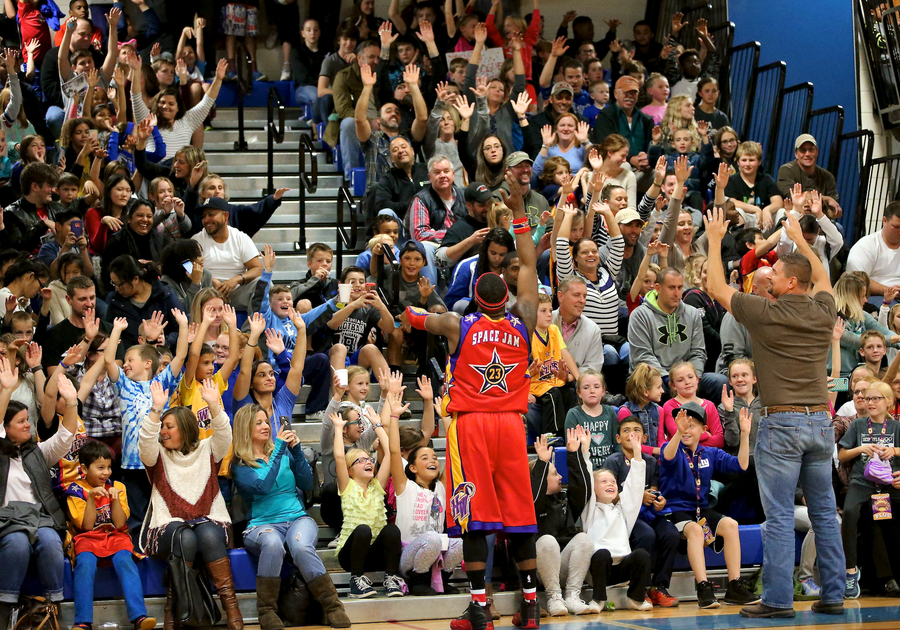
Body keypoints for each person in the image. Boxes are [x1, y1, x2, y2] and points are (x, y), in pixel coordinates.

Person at [399, 170, 540, 630]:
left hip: (473, 426)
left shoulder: (461, 325)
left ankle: (480, 608)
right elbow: (531, 271)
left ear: (476, 296)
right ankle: (531, 607)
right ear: (507, 299)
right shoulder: (524, 322)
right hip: (513, 426)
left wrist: (412, 313)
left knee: (475, 517)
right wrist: (520, 214)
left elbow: (418, 318)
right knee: (519, 515)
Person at [704, 205, 846, 617]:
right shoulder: (823, 311)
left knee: (780, 514)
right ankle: (834, 595)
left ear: (790, 282)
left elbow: (715, 285)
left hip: (781, 422)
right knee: (823, 512)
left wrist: (714, 239)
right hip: (820, 422)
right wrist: (801, 240)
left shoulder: (764, 313)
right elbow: (821, 275)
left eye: (777, 274)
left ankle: (779, 599)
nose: (771, 277)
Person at [231, 405, 351, 628]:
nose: (266, 426)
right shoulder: (239, 464)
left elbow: (306, 485)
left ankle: (333, 607)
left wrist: (295, 452)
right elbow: (263, 486)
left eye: (266, 421)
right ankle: (267, 612)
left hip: (297, 518)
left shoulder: (283, 452)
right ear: (244, 428)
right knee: (273, 543)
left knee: (302, 546)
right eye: (258, 423)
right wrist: (278, 449)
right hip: (261, 525)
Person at [140, 379, 243, 630]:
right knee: (184, 536)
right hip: (167, 528)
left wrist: (213, 404)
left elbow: (225, 434)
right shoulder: (157, 455)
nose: (163, 431)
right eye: (162, 426)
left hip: (209, 521)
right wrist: (156, 410)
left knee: (206, 533)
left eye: (169, 426)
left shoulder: (208, 450)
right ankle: (172, 610)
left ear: (185, 429)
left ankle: (232, 609)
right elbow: (145, 441)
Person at [0, 368, 78, 628]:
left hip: (40, 518)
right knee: (18, 544)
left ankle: (53, 606)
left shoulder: (37, 451)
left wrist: (71, 403)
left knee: (50, 542)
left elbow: (66, 437)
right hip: (7, 521)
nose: (28, 425)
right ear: (6, 427)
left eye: (27, 419)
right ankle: (6, 609)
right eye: (21, 421)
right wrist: (7, 390)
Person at [659, 406, 758, 608]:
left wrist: (745, 435)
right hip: (676, 511)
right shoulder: (673, 449)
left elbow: (742, 465)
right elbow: (667, 457)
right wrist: (678, 432)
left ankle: (734, 587)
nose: (686, 430)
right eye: (682, 425)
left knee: (730, 524)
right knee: (695, 530)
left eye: (691, 426)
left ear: (704, 429)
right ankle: (703, 587)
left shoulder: (710, 453)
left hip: (700, 510)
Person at [65, 441, 155, 630]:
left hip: (115, 537)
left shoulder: (118, 486)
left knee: (125, 560)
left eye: (108, 467)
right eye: (100, 468)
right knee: (85, 564)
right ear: (84, 468)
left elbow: (121, 524)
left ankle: (139, 617)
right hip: (87, 539)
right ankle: (82, 622)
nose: (106, 472)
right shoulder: (75, 491)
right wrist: (90, 498)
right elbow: (87, 526)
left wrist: (114, 500)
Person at [566, 425, 653, 612]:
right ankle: (598, 600)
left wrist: (637, 453)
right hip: (598, 568)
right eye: (604, 481)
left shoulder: (623, 510)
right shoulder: (589, 509)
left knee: (642, 555)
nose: (610, 484)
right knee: (602, 554)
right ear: (594, 489)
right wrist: (584, 450)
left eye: (613, 481)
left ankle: (635, 599)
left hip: (621, 570)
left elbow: (634, 488)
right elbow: (586, 479)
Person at [605, 415, 681, 606]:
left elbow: (654, 488)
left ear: (645, 438)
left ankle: (659, 587)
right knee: (646, 535)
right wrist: (637, 498)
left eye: (637, 430)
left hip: (649, 513)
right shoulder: (613, 462)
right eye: (626, 431)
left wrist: (658, 500)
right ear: (618, 439)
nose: (632, 434)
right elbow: (607, 496)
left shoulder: (651, 461)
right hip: (624, 517)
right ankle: (641, 588)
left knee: (671, 533)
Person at [331, 407, 405, 598]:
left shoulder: (377, 486)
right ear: (349, 470)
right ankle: (356, 580)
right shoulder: (347, 486)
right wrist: (339, 428)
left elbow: (389, 453)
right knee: (363, 529)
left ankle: (391, 578)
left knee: (391, 530)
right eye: (360, 460)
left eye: (368, 459)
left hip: (374, 553)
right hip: (350, 555)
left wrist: (377, 424)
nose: (368, 462)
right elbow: (339, 456)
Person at [836, 380, 900, 599]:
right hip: (862, 483)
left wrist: (894, 451)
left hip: (889, 484)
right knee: (851, 512)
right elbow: (843, 455)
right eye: (867, 398)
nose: (869, 402)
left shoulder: (896, 427)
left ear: (889, 402)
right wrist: (860, 448)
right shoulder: (858, 425)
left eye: (875, 398)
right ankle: (850, 571)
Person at [627, 266, 728, 404]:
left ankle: (714, 423)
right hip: (657, 377)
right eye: (671, 287)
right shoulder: (640, 315)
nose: (677, 293)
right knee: (648, 387)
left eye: (680, 288)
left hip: (686, 376)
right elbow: (642, 355)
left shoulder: (692, 313)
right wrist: (669, 379)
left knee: (719, 382)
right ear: (658, 288)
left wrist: (692, 378)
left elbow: (698, 352)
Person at [528, 434, 594, 615]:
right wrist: (541, 464)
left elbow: (584, 489)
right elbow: (535, 497)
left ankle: (572, 595)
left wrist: (574, 454)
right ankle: (554, 598)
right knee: (547, 541)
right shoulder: (530, 504)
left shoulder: (564, 499)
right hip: (541, 571)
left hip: (565, 567)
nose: (560, 477)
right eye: (555, 473)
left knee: (583, 539)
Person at [192, 198, 263, 312]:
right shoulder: (197, 240)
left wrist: (236, 280)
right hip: (207, 293)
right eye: (204, 216)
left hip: (235, 293)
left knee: (263, 283)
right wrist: (210, 280)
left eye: (211, 215)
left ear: (225, 216)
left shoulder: (240, 238)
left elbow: (258, 268)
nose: (206, 220)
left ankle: (251, 329)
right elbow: (186, 266)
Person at [775, 134, 841, 218]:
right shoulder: (786, 170)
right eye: (803, 150)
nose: (807, 154)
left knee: (838, 227)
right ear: (796, 154)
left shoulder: (828, 176)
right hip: (793, 215)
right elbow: (795, 198)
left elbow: (833, 210)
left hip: (817, 218)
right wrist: (826, 199)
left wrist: (830, 211)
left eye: (811, 150)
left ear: (817, 151)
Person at [847, 201, 900, 296]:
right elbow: (856, 280)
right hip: (875, 296)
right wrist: (889, 290)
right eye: (896, 227)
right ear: (884, 221)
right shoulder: (865, 246)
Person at [552, 277, 604, 373]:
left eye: (584, 296)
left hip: (577, 384)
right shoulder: (544, 322)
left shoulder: (593, 330)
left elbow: (592, 369)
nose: (583, 301)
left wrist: (570, 378)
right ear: (560, 296)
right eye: (576, 295)